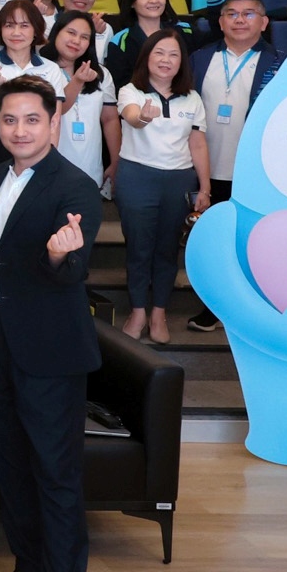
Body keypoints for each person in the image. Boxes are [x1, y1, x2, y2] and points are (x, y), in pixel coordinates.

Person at [0, 76, 103, 572]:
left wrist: (56, 254)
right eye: (9, 120)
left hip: (48, 350)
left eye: (31, 119)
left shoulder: (75, 186)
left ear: (53, 122)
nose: (19, 130)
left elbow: (73, 272)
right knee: (11, 465)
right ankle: (28, 569)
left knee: (55, 474)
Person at [183, 0, 282, 332]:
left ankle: (248, 311)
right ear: (221, 22)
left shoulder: (279, 64)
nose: (240, 20)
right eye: (232, 14)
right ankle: (211, 308)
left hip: (251, 172)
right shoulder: (199, 59)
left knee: (247, 243)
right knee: (210, 244)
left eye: (249, 14)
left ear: (263, 22)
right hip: (203, 169)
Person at [115, 29, 211, 344]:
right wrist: (143, 117)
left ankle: (159, 313)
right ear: (147, 57)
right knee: (139, 248)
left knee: (168, 249)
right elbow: (132, 118)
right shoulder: (131, 91)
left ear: (182, 61)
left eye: (173, 54)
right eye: (159, 52)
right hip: (137, 178)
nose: (165, 60)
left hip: (178, 180)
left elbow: (198, 144)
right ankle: (137, 312)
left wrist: (205, 188)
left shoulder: (192, 98)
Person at [0, 0, 71, 175]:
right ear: (0, 29)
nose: (16, 32)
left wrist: (50, 156)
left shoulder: (50, 68)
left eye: (24, 26)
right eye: (9, 25)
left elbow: (54, 117)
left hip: (35, 139)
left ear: (36, 30)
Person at [44, 9, 118, 192]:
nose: (76, 41)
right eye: (71, 33)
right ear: (56, 32)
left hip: (90, 169)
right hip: (49, 169)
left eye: (84, 37)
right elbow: (56, 110)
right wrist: (77, 81)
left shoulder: (101, 73)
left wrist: (116, 161)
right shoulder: (41, 69)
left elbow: (110, 119)